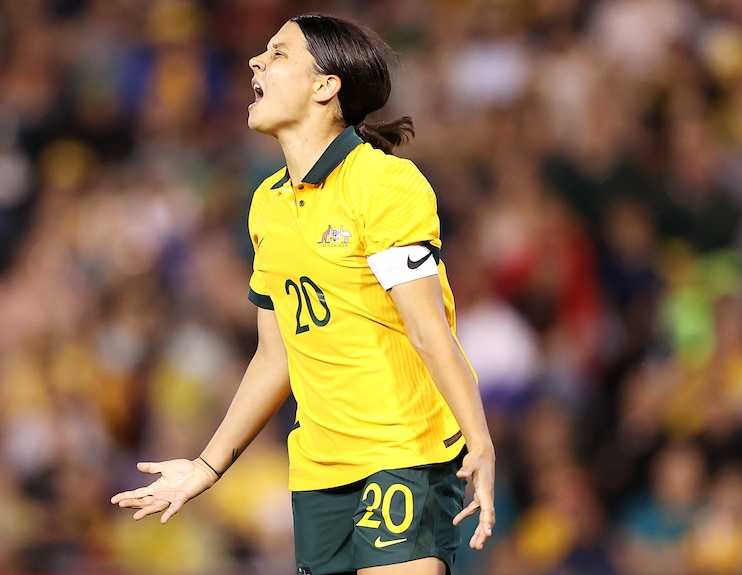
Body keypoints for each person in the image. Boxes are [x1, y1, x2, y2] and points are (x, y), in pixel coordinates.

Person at [110, 13, 496, 575]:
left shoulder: (385, 184)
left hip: (402, 453)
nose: (255, 62)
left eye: (279, 53)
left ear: (325, 86)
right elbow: (275, 353)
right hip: (317, 471)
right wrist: (205, 467)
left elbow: (428, 328)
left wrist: (479, 442)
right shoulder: (266, 204)